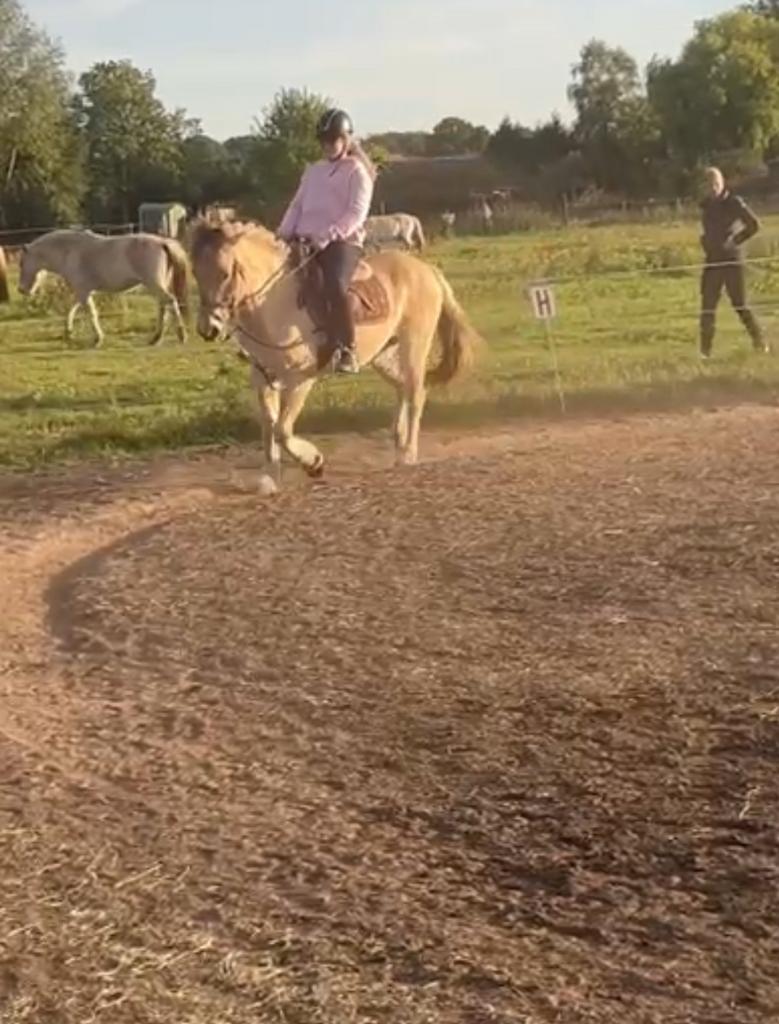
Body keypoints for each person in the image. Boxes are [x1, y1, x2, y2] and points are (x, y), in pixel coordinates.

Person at [277, 108, 376, 374]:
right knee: (277, 281)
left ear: (346, 140)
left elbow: (356, 213)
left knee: (334, 284)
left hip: (342, 243)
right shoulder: (313, 172)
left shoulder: (357, 172)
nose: (328, 146)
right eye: (324, 141)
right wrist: (283, 233)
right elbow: (297, 205)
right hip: (305, 239)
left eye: (333, 140)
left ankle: (347, 349)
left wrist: (327, 235)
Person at [699, 166, 767, 359]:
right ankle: (705, 352)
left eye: (716, 184)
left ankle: (760, 341)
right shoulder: (705, 205)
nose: (713, 188)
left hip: (731, 260)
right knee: (707, 307)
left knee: (740, 303)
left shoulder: (734, 202)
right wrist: (704, 241)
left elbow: (754, 225)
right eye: (709, 184)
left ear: (722, 184)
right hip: (712, 260)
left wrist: (735, 241)